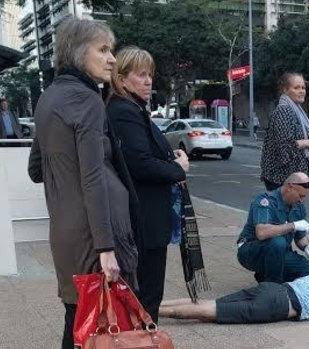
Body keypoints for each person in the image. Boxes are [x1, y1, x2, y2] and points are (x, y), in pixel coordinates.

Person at [26, 18, 139, 349]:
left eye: (112, 50)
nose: (112, 59)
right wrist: (106, 248)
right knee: (105, 326)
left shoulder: (48, 98)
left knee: (77, 320)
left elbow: (36, 168)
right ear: (77, 54)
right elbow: (92, 176)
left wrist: (65, 169)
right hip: (97, 234)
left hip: (66, 230)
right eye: (103, 50)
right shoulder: (87, 100)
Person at [106, 46, 190, 323]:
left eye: (150, 74)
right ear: (121, 78)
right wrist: (177, 168)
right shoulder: (124, 111)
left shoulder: (132, 109)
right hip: (144, 218)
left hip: (148, 216)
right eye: (141, 75)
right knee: (145, 295)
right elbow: (139, 163)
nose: (148, 80)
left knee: (145, 294)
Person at [159, 270, 309, 323]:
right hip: (279, 305)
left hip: (273, 288)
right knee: (209, 313)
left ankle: (151, 304)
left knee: (208, 303)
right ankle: (152, 314)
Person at [237, 172, 309, 283]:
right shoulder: (266, 201)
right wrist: (293, 225)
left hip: (280, 253)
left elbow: (300, 238)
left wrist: (306, 247)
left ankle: (266, 276)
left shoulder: (298, 208)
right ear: (289, 187)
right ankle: (272, 287)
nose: (301, 200)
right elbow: (261, 233)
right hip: (251, 251)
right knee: (277, 241)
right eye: (300, 196)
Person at [260, 72, 309, 191]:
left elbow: (297, 135)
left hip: (291, 176)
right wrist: (308, 143)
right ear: (285, 90)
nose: (302, 91)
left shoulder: (296, 110)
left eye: (303, 87)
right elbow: (285, 146)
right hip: (281, 177)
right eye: (296, 87)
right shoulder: (283, 111)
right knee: (283, 208)